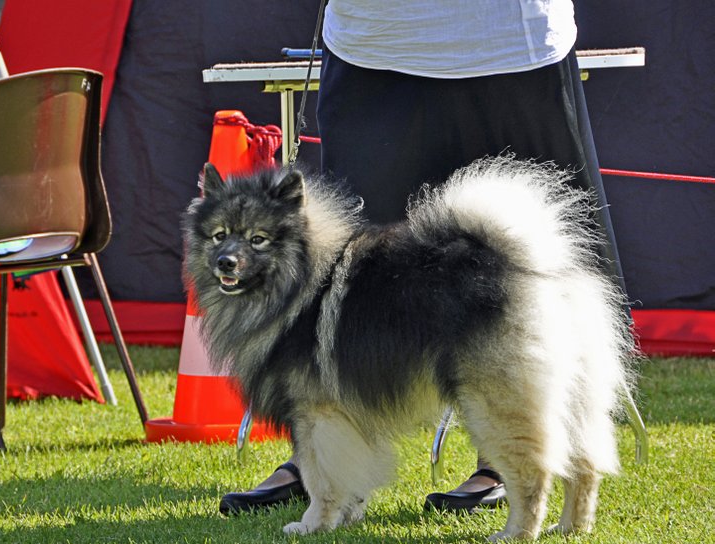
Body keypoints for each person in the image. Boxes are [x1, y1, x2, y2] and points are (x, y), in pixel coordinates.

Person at [219, 0, 629, 516]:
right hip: (374, 47)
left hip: (510, 46)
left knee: (527, 276)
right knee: (341, 299)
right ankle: (322, 462)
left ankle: (511, 461)